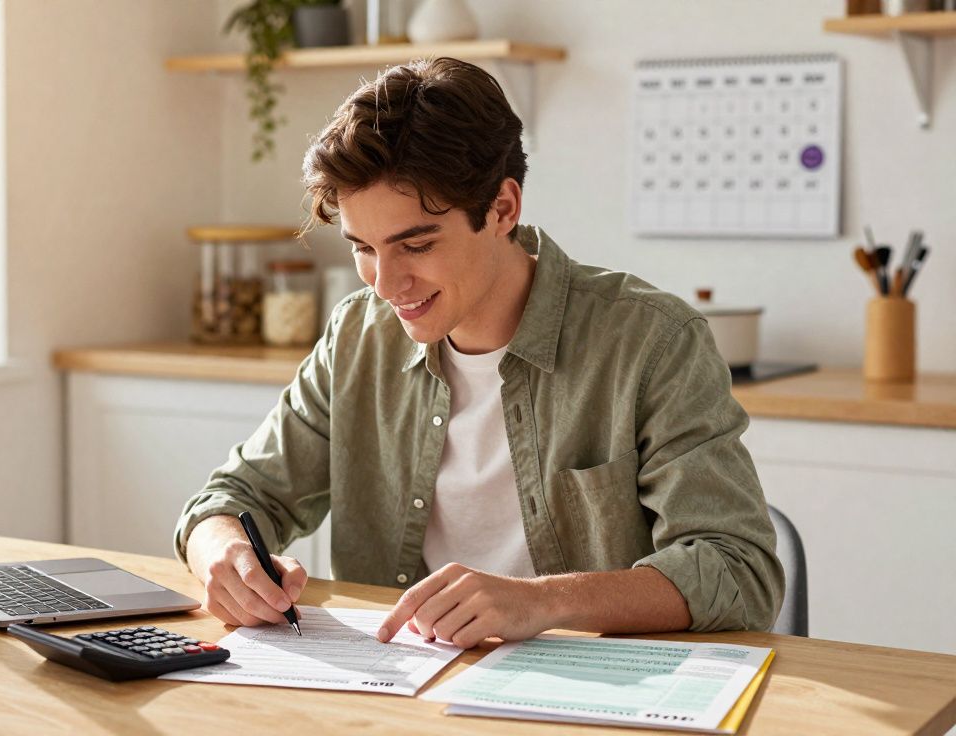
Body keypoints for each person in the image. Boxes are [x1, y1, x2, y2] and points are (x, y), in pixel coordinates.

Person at [174, 57, 784, 649]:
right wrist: (222, 553)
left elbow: (736, 569)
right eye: (363, 247)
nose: (385, 285)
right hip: (397, 697)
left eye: (415, 245)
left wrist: (540, 601)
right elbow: (232, 498)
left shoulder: (651, 342)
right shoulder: (359, 336)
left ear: (502, 209)